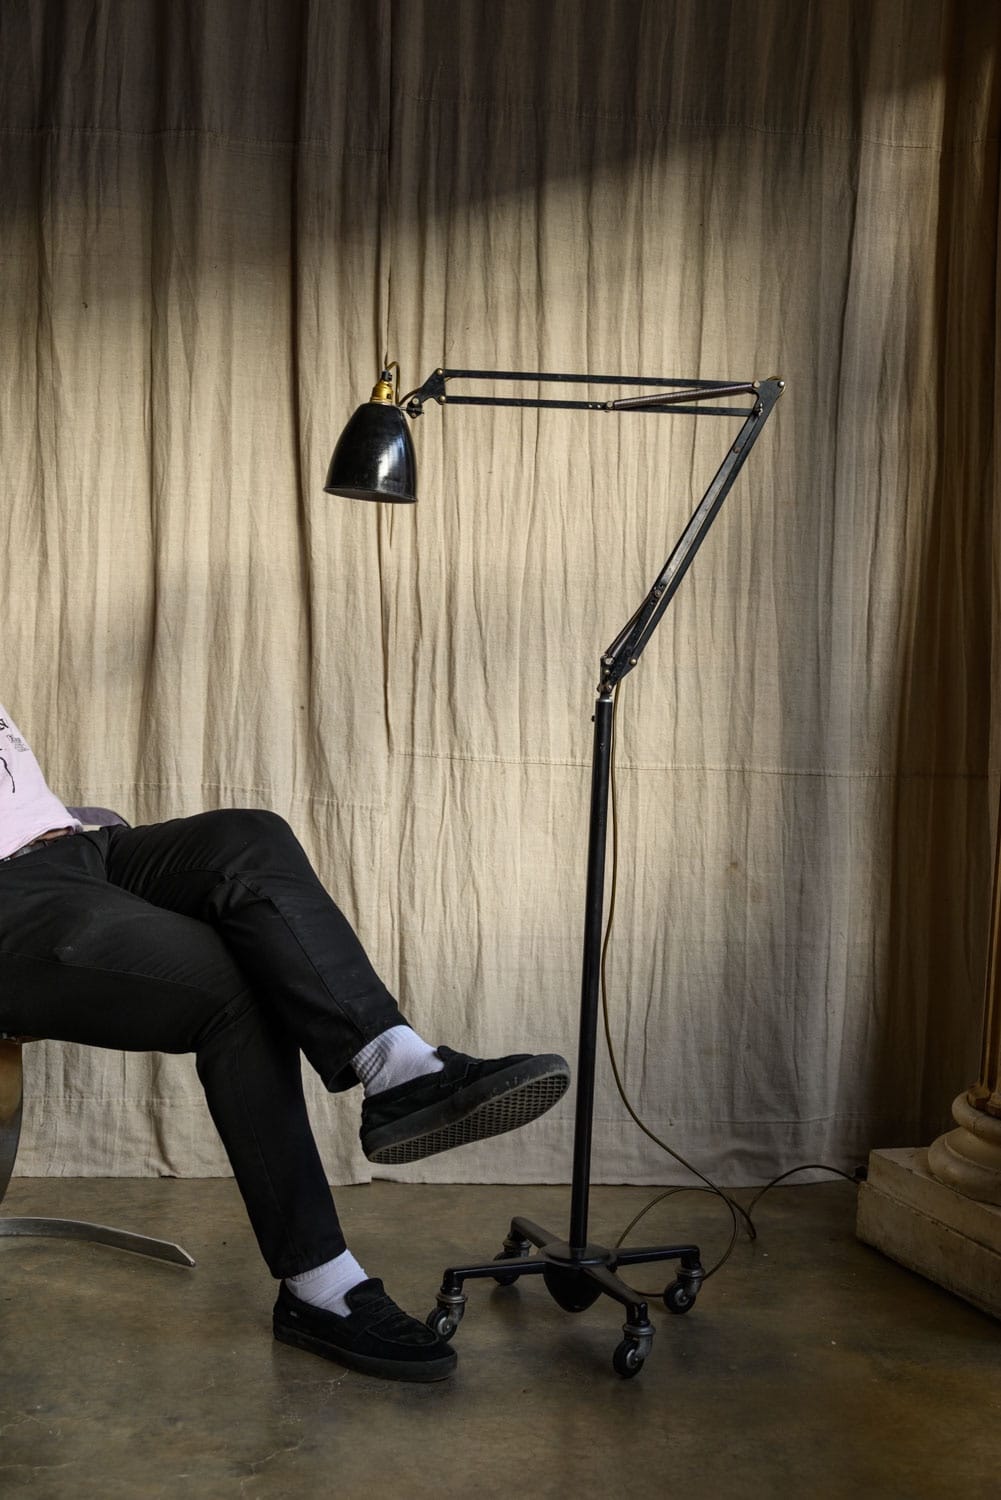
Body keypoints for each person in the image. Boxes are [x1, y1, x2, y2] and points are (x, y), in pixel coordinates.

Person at [0, 702, 570, 1382]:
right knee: (234, 986)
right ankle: (319, 1284)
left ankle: (398, 1065)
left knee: (251, 838)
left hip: (79, 848)